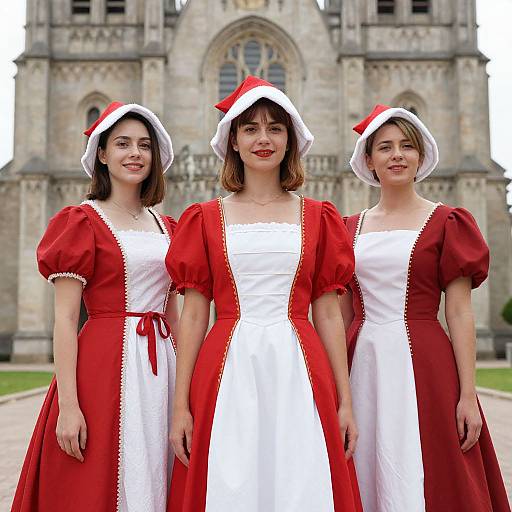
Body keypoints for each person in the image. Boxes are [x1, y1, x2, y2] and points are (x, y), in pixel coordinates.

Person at [166, 76, 362, 512]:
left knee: (300, 478)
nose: (263, 138)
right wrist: (180, 406)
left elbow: (329, 314)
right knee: (230, 479)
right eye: (250, 128)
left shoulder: (318, 216)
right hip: (226, 366)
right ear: (232, 140)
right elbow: (194, 316)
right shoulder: (203, 218)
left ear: (290, 140)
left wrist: (345, 401)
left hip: (300, 366)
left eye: (275, 128)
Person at [341, 104, 510, 511]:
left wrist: (468, 394)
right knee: (362, 462)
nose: (396, 154)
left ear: (420, 157)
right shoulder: (347, 227)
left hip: (426, 360)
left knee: (430, 463)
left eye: (406, 146)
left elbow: (459, 313)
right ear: (369, 160)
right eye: (385, 147)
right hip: (361, 360)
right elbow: (343, 314)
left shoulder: (448, 221)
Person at [12, 102, 179, 512]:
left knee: (163, 465)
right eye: (122, 143)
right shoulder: (82, 221)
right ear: (102, 154)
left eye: (144, 145)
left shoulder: (168, 226)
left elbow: (174, 314)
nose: (134, 153)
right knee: (102, 474)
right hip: (105, 364)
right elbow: (66, 320)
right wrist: (68, 406)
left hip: (163, 365)